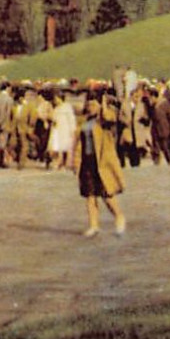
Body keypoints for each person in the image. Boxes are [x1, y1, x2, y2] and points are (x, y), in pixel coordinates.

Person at [74, 99, 126, 237]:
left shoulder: (104, 122)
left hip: (102, 162)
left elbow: (109, 116)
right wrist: (76, 162)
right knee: (90, 195)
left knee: (106, 194)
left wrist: (103, 102)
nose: (90, 107)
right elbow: (79, 143)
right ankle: (93, 225)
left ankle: (119, 216)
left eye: (93, 104)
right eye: (88, 104)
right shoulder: (84, 122)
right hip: (87, 161)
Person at [49, 93, 78, 171]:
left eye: (56, 98)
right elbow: (54, 118)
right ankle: (58, 163)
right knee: (57, 147)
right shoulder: (56, 108)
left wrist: (72, 130)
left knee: (65, 147)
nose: (55, 100)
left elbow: (71, 119)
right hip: (57, 130)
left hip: (65, 130)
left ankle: (64, 164)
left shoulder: (67, 107)